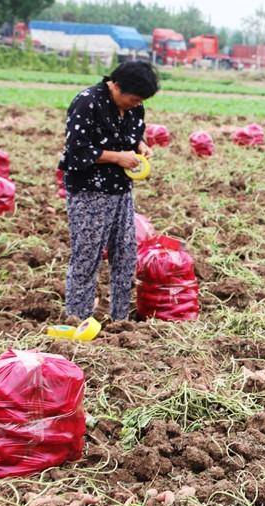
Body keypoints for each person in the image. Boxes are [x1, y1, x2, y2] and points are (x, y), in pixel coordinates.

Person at [59, 61, 159, 321]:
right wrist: (117, 157)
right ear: (115, 85)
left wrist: (140, 145)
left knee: (125, 254)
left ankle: (120, 319)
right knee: (87, 255)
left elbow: (131, 135)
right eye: (133, 99)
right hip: (89, 191)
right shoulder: (87, 102)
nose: (136, 104)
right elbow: (77, 151)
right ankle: (77, 319)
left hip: (121, 189)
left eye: (141, 101)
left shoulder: (134, 108)